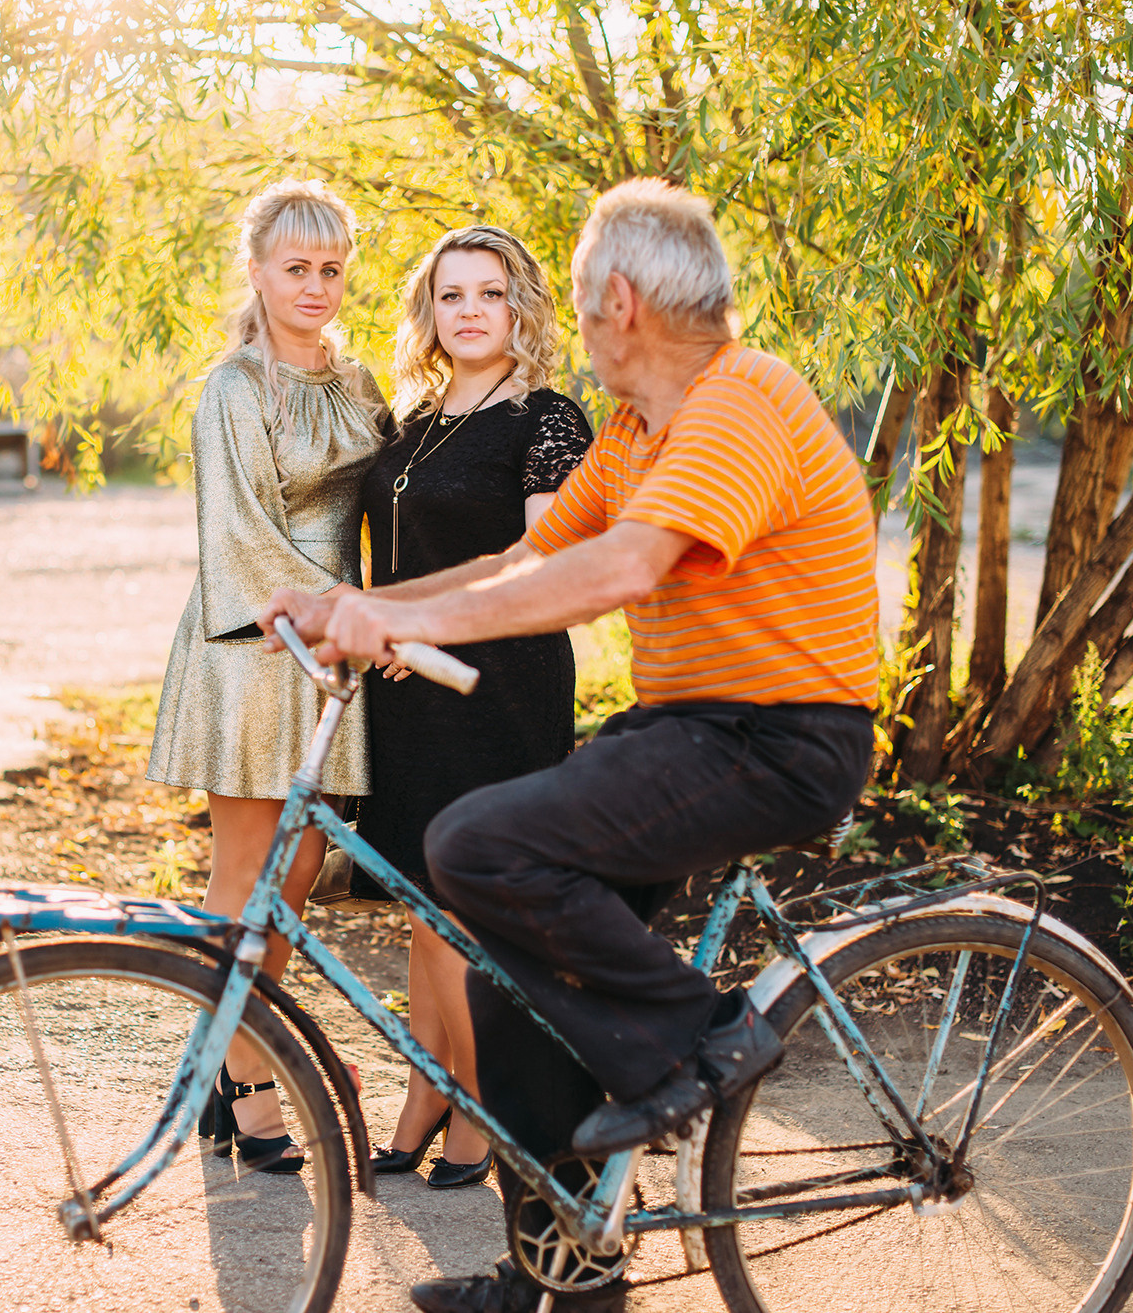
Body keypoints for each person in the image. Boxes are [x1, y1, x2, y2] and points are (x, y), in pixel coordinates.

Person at [261, 178, 878, 1312]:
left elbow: (612, 573)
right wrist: (354, 604)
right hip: (687, 729)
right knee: (510, 983)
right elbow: (521, 557)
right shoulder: (640, 429)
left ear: (621, 301)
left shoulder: (735, 400)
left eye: (581, 296)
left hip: (782, 735)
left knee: (477, 841)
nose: (575, 320)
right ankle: (564, 1270)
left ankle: (706, 1034)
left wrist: (398, 621)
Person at [145, 178, 388, 1174]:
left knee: (295, 881)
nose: (316, 287)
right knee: (245, 879)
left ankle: (232, 1052)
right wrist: (342, 613)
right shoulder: (232, 389)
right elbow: (237, 537)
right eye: (296, 269)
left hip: (333, 652)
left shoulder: (362, 383)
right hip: (252, 645)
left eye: (331, 270)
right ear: (255, 272)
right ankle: (245, 1081)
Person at [356, 226, 591, 1190]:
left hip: (496, 682)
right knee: (418, 902)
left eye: (488, 294)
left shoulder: (548, 418)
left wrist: (437, 635)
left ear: (519, 306)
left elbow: (543, 564)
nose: (468, 311)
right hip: (406, 685)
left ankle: (483, 1109)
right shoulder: (413, 417)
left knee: (462, 910)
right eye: (450, 295)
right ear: (430, 311)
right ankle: (425, 1090)